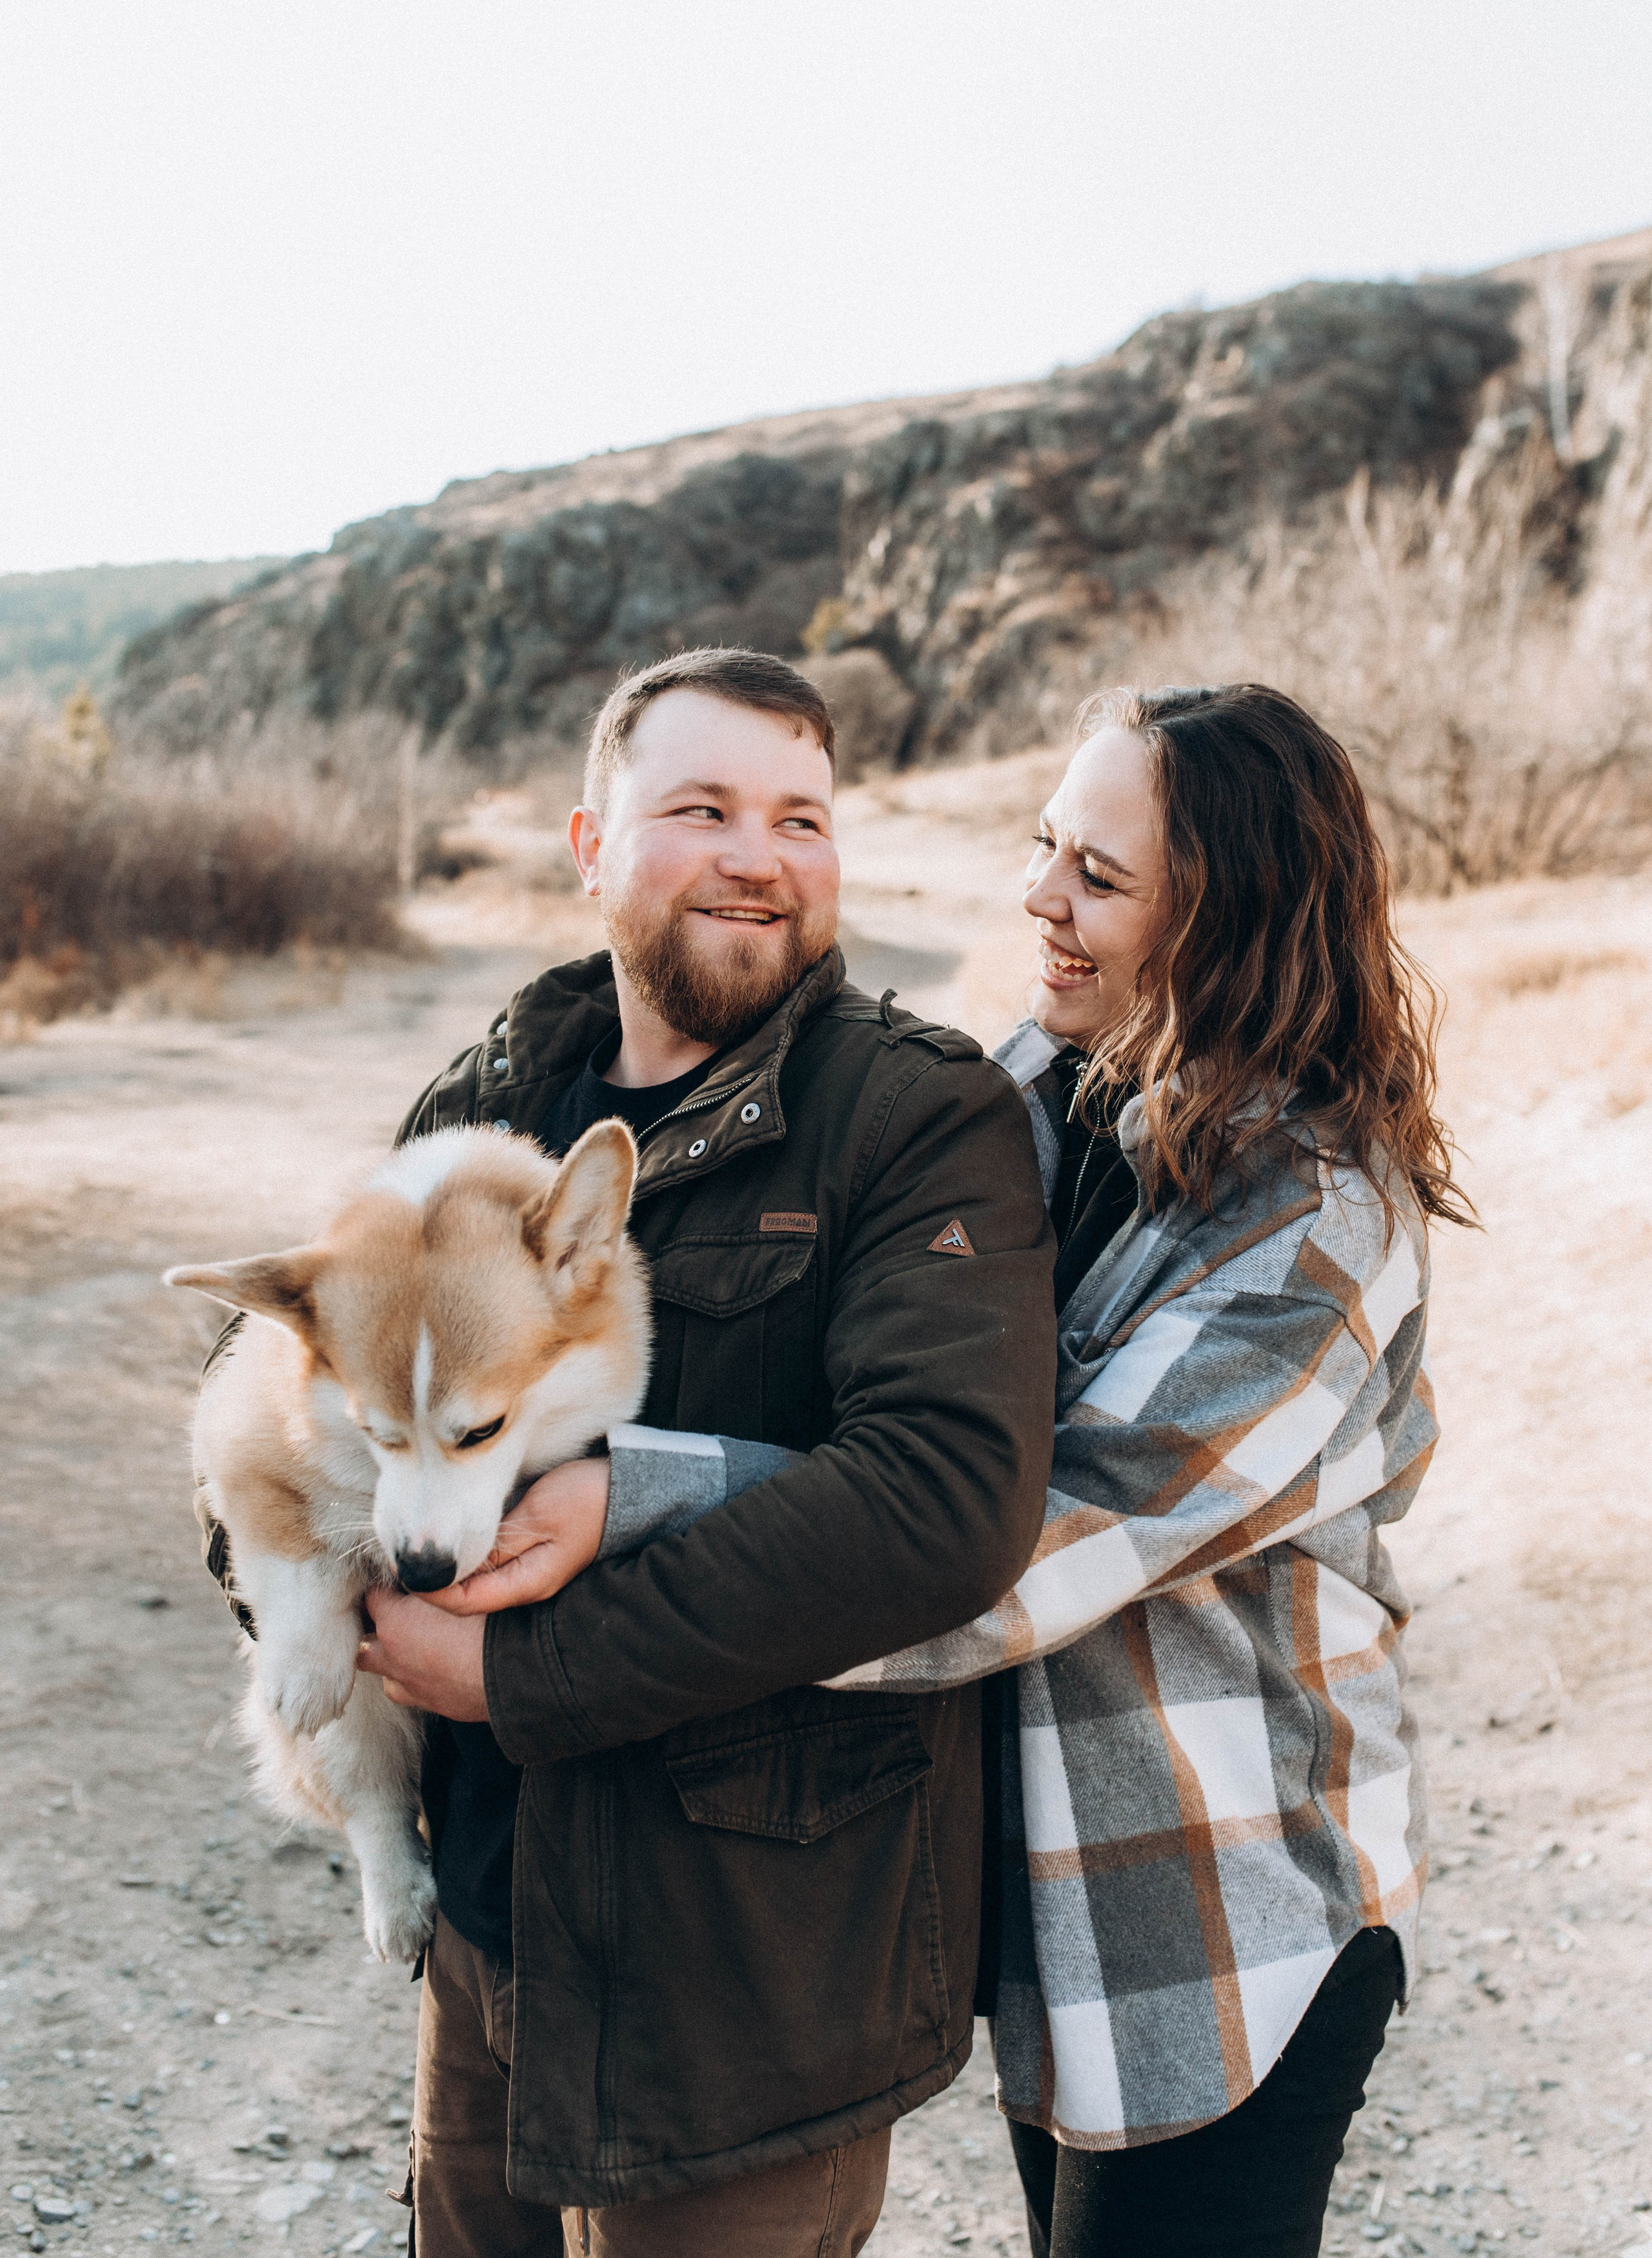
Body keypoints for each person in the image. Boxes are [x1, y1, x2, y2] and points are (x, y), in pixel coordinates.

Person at [492, 681, 1467, 2258]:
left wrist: (614, 1512)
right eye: (1041, 848)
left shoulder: (1315, 1229)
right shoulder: (1024, 1092)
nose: (1037, 899)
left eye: (1097, 876)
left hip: (1210, 1923)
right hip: (1034, 1894)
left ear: (1228, 922)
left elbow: (997, 1550)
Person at [350, 647, 1058, 2257]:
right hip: (490, 1933)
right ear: (592, 843)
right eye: (703, 806)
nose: (761, 853)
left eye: (800, 817)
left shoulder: (910, 1114)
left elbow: (941, 1503)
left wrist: (523, 1674)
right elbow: (284, 1378)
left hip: (746, 1993)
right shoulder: (492, 1095)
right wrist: (316, 1609)